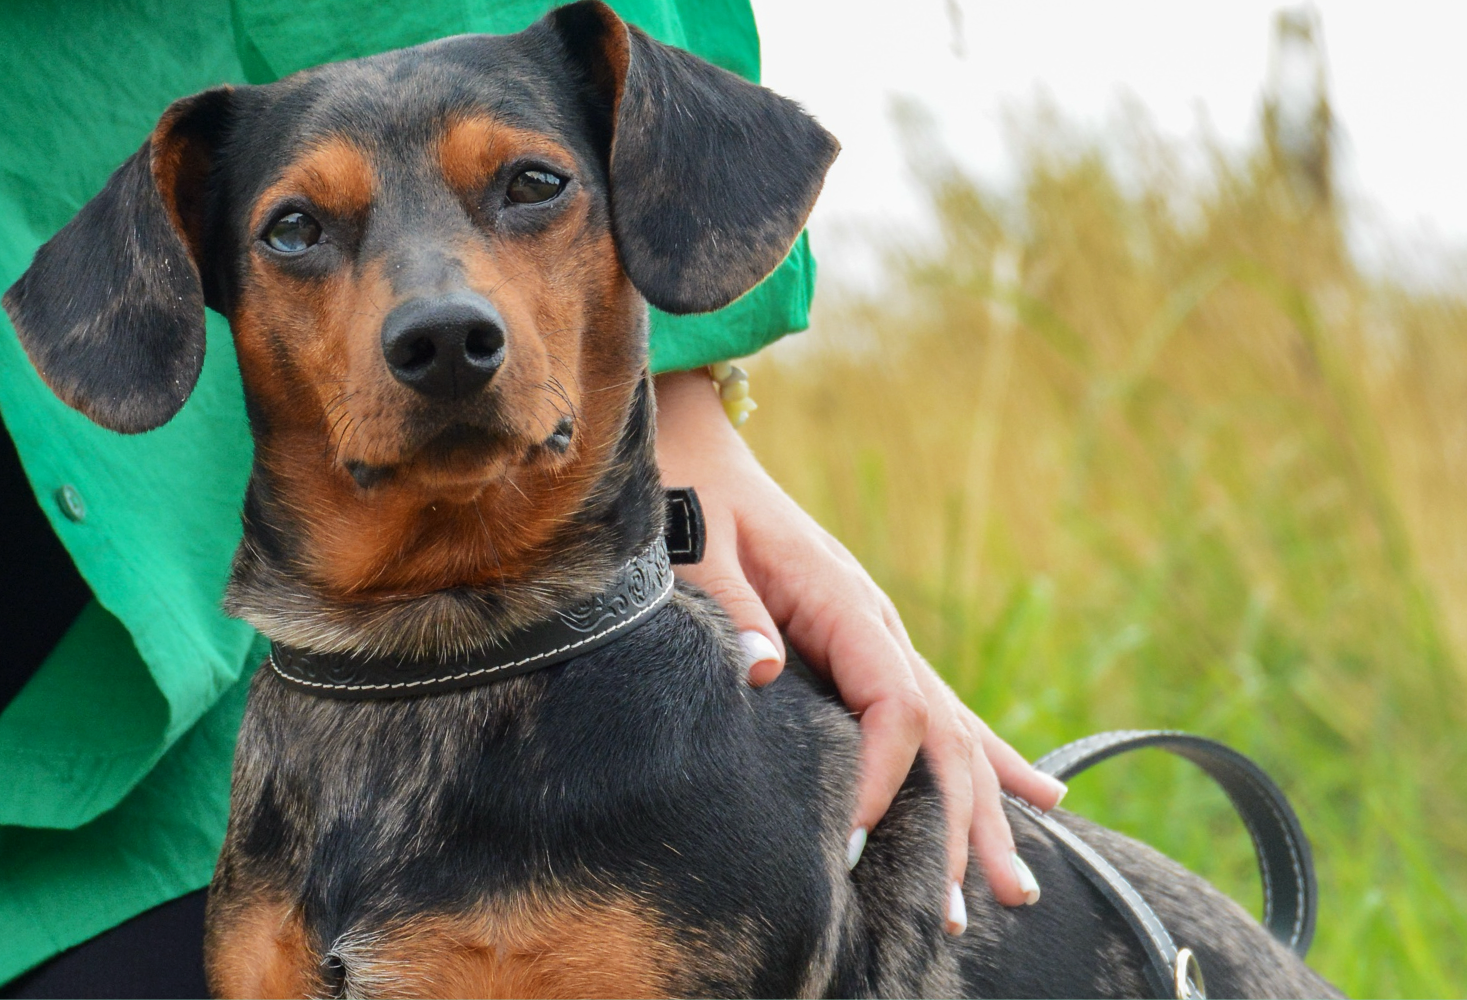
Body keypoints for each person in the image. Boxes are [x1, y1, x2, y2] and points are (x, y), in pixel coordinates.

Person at [0, 0, 1065, 995]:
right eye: (298, 233)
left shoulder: (683, 854)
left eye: (529, 189)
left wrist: (692, 406)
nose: (438, 311)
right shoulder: (263, 860)